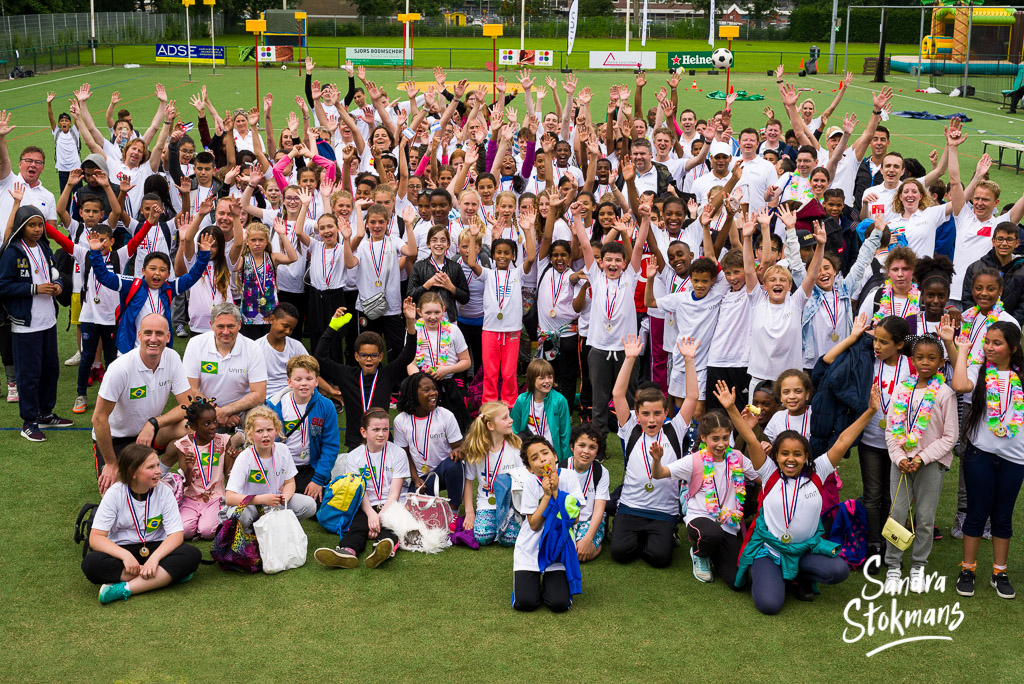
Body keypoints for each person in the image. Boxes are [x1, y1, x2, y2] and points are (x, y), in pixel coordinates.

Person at [721, 381, 879, 615]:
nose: (790, 459)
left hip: (804, 550)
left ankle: (797, 575)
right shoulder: (768, 472)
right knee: (769, 605)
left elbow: (843, 441)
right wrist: (732, 409)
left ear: (807, 456)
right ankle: (770, 573)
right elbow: (752, 440)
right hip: (770, 550)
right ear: (776, 455)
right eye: (784, 453)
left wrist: (870, 411)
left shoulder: (818, 472)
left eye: (797, 454)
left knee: (839, 570)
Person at [610, 335, 700, 568]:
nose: (652, 420)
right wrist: (629, 358)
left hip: (663, 511)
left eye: (657, 413)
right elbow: (618, 395)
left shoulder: (674, 429)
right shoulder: (630, 427)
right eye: (646, 414)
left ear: (665, 413)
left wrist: (689, 360)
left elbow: (692, 397)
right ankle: (636, 535)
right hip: (631, 506)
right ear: (636, 414)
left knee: (660, 559)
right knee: (620, 553)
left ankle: (664, 536)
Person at [951, 320, 1024, 599]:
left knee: (1003, 516)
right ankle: (967, 569)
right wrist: (963, 350)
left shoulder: (1022, 376)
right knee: (976, 512)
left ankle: (999, 572)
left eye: (997, 343)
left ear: (1013, 348)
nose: (990, 347)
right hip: (980, 453)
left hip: (1015, 458)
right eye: (988, 341)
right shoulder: (979, 370)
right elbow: (959, 384)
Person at [882, 334, 958, 593]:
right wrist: (900, 457)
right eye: (920, 358)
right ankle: (893, 565)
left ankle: (918, 566)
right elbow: (892, 430)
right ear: (912, 360)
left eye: (932, 358)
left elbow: (950, 436)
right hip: (901, 463)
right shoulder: (902, 389)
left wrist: (922, 457)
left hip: (930, 464)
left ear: (941, 361)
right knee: (897, 514)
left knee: (925, 518)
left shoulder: (945, 394)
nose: (925, 362)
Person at [81, 444, 202, 604]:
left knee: (192, 554)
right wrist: (125, 556)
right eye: (151, 467)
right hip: (122, 550)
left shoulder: (164, 491)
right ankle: (163, 576)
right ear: (132, 472)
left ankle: (125, 589)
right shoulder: (115, 493)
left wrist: (155, 559)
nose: (158, 471)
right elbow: (96, 538)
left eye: (158, 465)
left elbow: (176, 534)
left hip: (155, 547)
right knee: (91, 564)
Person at [650, 410, 759, 587]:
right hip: (700, 518)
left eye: (725, 438)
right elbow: (659, 473)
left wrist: (763, 453)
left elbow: (760, 478)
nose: (721, 444)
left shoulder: (737, 458)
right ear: (703, 438)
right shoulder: (694, 460)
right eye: (715, 439)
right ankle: (699, 554)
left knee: (738, 581)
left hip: (728, 523)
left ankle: (713, 551)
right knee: (711, 533)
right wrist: (657, 460)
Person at [91, 313, 193, 494]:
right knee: (119, 493)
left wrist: (153, 423)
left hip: (151, 433)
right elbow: (99, 419)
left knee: (191, 426)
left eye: (159, 333)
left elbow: (187, 406)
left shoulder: (172, 357)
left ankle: (172, 477)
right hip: (117, 439)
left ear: (168, 337)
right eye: (148, 333)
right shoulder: (120, 369)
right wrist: (111, 463)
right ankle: (136, 473)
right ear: (139, 336)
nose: (153, 339)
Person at [0, 205, 73, 441]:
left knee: (50, 370)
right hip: (25, 325)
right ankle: (28, 421)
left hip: (48, 321)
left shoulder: (43, 246)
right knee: (29, 374)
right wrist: (35, 289)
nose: (38, 229)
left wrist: (58, 285)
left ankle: (45, 413)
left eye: (40, 224)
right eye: (32, 225)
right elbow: (3, 286)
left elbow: (53, 272)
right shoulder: (12, 252)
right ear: (22, 227)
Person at [88, 229, 213, 354]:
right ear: (143, 271)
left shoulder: (170, 288)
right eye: (152, 268)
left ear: (168, 274)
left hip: (158, 351)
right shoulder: (131, 284)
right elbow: (104, 276)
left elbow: (192, 276)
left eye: (162, 270)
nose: (157, 273)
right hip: (130, 351)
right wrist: (95, 253)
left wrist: (204, 255)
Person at [314, 299, 417, 451]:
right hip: (356, 442)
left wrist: (410, 321)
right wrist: (332, 327)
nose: (369, 359)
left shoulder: (387, 374)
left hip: (383, 441)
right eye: (364, 355)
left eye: (374, 355)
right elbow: (320, 357)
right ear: (356, 356)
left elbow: (408, 354)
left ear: (381, 356)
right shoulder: (346, 375)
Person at [314, 408, 408, 569]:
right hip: (366, 504)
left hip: (392, 504)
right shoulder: (354, 456)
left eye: (385, 429)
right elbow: (359, 490)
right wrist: (371, 514)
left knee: (391, 526)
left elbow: (395, 493)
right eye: (376, 429)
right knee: (358, 526)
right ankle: (346, 552)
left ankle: (382, 549)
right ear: (364, 432)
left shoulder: (398, 453)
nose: (381, 434)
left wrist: (379, 517)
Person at [462, 211, 537, 407]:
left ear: (513, 256)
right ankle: (489, 405)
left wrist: (528, 231)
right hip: (490, 330)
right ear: (493, 255)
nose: (502, 256)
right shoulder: (487, 274)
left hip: (512, 330)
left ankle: (509, 405)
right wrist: (472, 235)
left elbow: (531, 258)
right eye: (499, 253)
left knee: (509, 372)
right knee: (491, 371)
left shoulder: (517, 273)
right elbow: (471, 262)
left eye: (507, 253)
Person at [511, 434, 586, 613]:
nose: (542, 459)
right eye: (534, 458)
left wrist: (556, 492)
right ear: (529, 468)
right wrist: (546, 496)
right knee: (526, 603)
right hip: (530, 548)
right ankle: (528, 583)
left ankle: (553, 583)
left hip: (557, 548)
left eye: (545, 453)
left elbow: (574, 519)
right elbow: (534, 525)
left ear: (555, 456)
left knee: (559, 604)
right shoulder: (530, 482)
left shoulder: (568, 477)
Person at [223, 406, 317, 532]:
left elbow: (290, 482)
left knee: (309, 505)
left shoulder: (283, 450)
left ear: (276, 430)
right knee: (240, 516)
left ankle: (280, 529)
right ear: (250, 434)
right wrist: (261, 499)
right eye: (259, 431)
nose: (265, 435)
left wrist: (285, 498)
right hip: (251, 504)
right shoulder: (244, 458)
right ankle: (252, 533)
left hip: (275, 502)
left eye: (269, 429)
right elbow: (229, 498)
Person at [182, 302, 269, 433]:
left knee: (264, 422)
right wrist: (216, 412)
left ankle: (240, 440)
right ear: (211, 326)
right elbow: (190, 389)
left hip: (243, 410)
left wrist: (227, 411)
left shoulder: (253, 348)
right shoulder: (196, 344)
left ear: (239, 325)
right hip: (204, 409)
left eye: (231, 326)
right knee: (186, 428)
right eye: (220, 326)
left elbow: (259, 394)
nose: (226, 331)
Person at [266, 354, 341, 502]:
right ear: (289, 382)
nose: (304, 384)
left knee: (323, 505)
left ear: (317, 381)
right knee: (274, 501)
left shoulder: (326, 406)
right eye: (298, 379)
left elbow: (330, 446)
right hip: (282, 468)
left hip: (311, 468)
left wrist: (318, 480)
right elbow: (268, 444)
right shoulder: (275, 406)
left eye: (309, 379)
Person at [163, 398, 237, 540]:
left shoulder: (224, 441)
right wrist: (189, 469)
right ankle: (197, 524)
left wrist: (233, 459)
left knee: (207, 532)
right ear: (193, 426)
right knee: (184, 531)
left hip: (215, 497)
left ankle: (203, 524)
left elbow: (229, 476)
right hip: (190, 497)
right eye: (206, 423)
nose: (213, 426)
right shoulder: (183, 444)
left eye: (214, 421)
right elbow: (185, 483)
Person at [393, 372, 464, 509]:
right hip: (421, 478)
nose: (433, 393)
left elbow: (458, 446)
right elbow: (405, 454)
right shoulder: (401, 420)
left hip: (443, 472)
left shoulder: (445, 415)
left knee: (453, 464)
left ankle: (454, 509)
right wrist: (415, 478)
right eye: (426, 390)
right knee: (415, 513)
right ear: (413, 394)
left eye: (434, 388)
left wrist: (458, 451)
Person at [462, 401, 525, 546]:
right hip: (487, 502)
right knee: (482, 536)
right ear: (490, 426)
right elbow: (469, 481)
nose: (511, 420)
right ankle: (497, 521)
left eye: (509, 416)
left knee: (508, 540)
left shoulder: (515, 446)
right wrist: (470, 511)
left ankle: (511, 519)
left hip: (510, 504)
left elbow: (523, 481)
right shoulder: (476, 450)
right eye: (505, 418)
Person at [960, 222, 1024, 327]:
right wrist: (978, 321)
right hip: (979, 326)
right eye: (1000, 239)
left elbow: (1022, 305)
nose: (1004, 243)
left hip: (1011, 328)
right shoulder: (976, 268)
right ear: (993, 241)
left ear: (1017, 243)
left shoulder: (1022, 269)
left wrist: (1010, 324)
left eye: (1009, 239)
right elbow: (967, 298)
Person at [563, 423, 609, 562]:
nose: (586, 451)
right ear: (572, 446)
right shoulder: (561, 468)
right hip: (566, 521)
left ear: (597, 451)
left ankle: (597, 545)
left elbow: (599, 510)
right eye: (581, 445)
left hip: (590, 521)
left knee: (579, 554)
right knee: (561, 551)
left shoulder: (601, 472)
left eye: (592, 447)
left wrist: (588, 540)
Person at [511, 358, 571, 460]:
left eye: (550, 377)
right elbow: (514, 430)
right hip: (530, 453)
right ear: (532, 379)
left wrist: (566, 461)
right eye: (542, 378)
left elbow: (565, 434)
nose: (547, 381)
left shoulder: (560, 401)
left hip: (553, 454)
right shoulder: (522, 400)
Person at [255, 303, 310, 398]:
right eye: (285, 326)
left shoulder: (296, 346)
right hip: (267, 397)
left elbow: (311, 370)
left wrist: (331, 391)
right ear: (272, 319)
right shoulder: (256, 347)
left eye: (291, 329)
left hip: (293, 394)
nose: (288, 332)